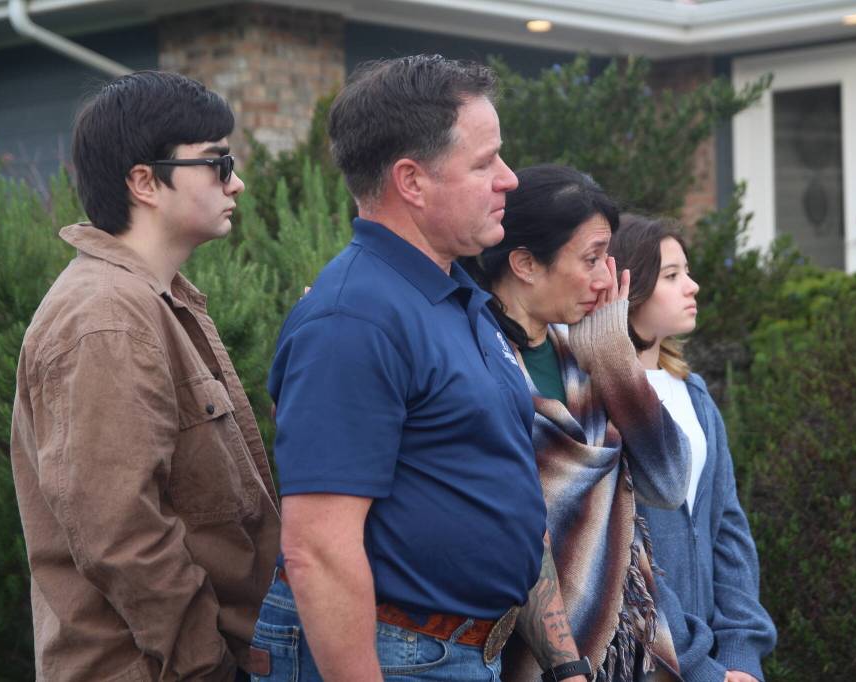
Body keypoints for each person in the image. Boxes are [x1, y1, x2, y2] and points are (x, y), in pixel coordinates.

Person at [254, 56, 590, 682]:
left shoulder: (454, 298)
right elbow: (319, 548)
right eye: (485, 162)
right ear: (412, 181)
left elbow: (494, 483)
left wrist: (564, 662)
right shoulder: (355, 317)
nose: (509, 180)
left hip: (453, 653)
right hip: (395, 653)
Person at [9, 70, 281, 681]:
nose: (236, 181)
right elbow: (122, 536)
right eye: (216, 162)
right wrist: (204, 664)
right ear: (143, 182)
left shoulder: (153, 299)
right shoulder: (106, 318)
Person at [461, 164, 691, 682]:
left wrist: (615, 359)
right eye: (590, 259)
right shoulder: (476, 359)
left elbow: (669, 482)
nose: (605, 279)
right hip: (511, 653)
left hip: (623, 652)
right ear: (525, 263)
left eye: (607, 260)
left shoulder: (584, 355)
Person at [607, 214, 777, 682]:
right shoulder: (602, 400)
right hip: (642, 663)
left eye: (687, 271)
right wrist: (697, 664)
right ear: (629, 286)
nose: (693, 286)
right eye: (672, 275)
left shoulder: (694, 394)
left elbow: (728, 527)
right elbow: (623, 552)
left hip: (723, 665)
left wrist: (742, 654)